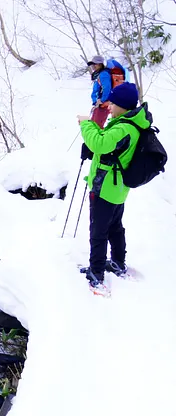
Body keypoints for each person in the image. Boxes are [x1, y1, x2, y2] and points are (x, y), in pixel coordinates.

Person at [77, 82, 149, 289]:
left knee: (98, 231)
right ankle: (118, 263)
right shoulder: (132, 124)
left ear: (123, 106)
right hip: (117, 188)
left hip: (105, 187)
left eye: (113, 103)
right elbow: (108, 145)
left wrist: (86, 124)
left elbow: (100, 143)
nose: (109, 106)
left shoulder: (124, 127)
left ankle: (96, 274)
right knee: (115, 227)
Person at [88, 56, 112, 128]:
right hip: (99, 104)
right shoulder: (99, 74)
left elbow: (107, 88)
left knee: (97, 126)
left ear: (100, 64)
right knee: (93, 124)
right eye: (92, 64)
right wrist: (95, 102)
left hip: (103, 104)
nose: (93, 66)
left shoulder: (103, 74)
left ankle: (99, 139)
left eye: (95, 64)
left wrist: (101, 100)